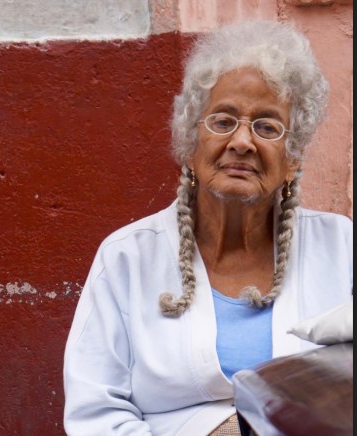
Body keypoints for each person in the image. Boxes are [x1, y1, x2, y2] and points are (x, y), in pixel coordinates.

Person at [63, 20, 352, 435]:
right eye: (223, 121)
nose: (242, 141)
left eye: (267, 127)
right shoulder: (127, 257)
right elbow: (95, 416)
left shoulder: (341, 246)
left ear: (292, 159)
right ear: (190, 142)